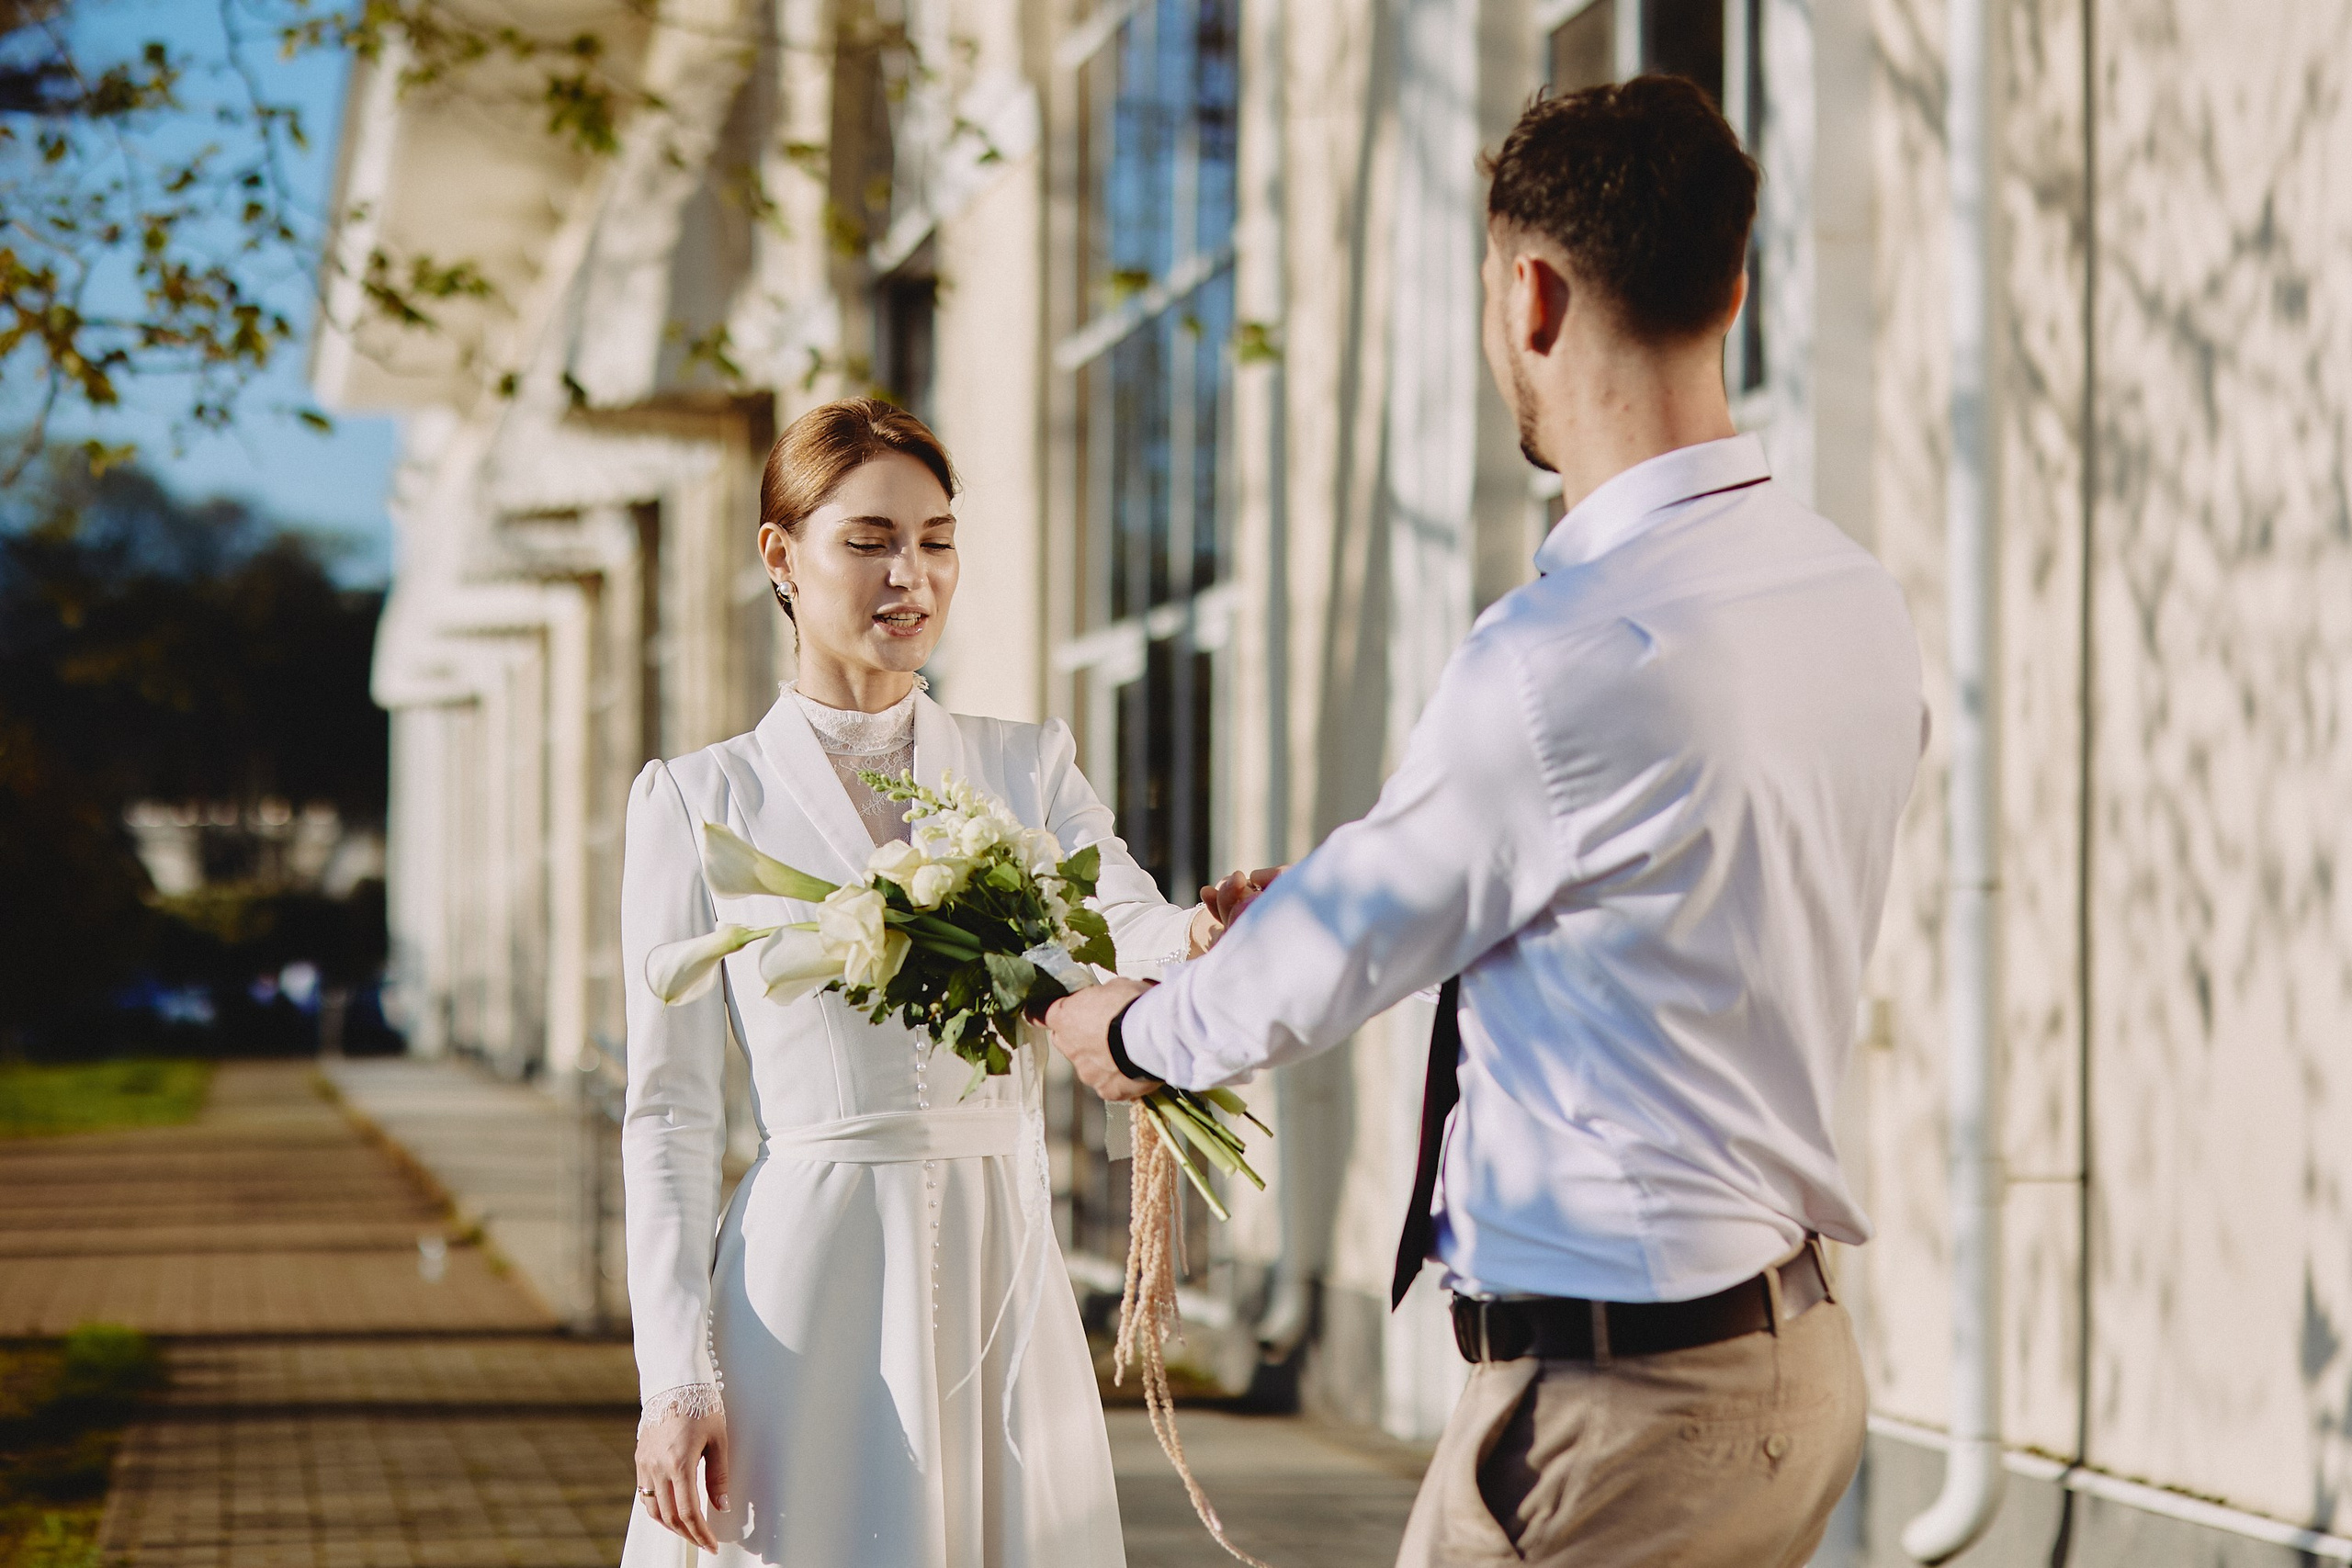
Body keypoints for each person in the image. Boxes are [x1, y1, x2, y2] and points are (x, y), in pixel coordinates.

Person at [1047, 75, 1928, 1568]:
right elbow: (1640, 885)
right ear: (1735, 284)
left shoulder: (1560, 650)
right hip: (1789, 1366)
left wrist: (1134, 1032)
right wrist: (1354, 885)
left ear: (1530, 296)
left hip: (1617, 1409)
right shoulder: (1848, 597)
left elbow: (1333, 958)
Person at [618, 397, 1235, 1567]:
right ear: (781, 557)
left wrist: (1210, 932)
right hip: (810, 1280)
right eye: (870, 541)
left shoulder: (1024, 764)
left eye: (938, 538)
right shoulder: (699, 800)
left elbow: (1126, 922)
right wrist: (674, 1377)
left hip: (1004, 1265)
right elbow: (668, 1116)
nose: (912, 574)